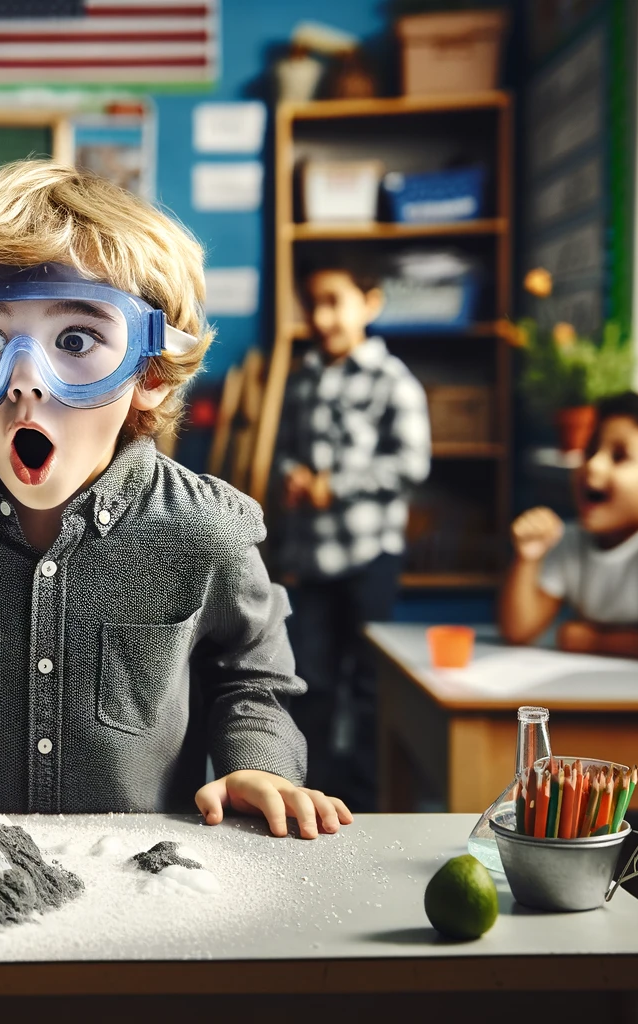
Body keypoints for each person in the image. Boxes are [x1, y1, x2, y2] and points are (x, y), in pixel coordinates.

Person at [0, 159, 346, 839]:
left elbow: (253, 681)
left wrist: (259, 766)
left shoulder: (204, 531)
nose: (24, 384)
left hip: (146, 892)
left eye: (75, 340)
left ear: (150, 370)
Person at [273, 254, 430, 809]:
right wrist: (292, 476)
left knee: (367, 685)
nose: (322, 317)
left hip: (368, 556)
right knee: (307, 678)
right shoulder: (305, 377)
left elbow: (412, 463)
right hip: (312, 559)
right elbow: (286, 449)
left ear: (371, 303)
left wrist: (335, 485)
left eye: (334, 302)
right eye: (313, 304)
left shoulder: (392, 380)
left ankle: (366, 797)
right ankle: (311, 792)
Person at [498, 391, 638, 665]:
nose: (593, 464)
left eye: (619, 456)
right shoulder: (572, 539)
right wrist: (528, 558)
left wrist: (595, 642)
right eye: (591, 451)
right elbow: (518, 631)